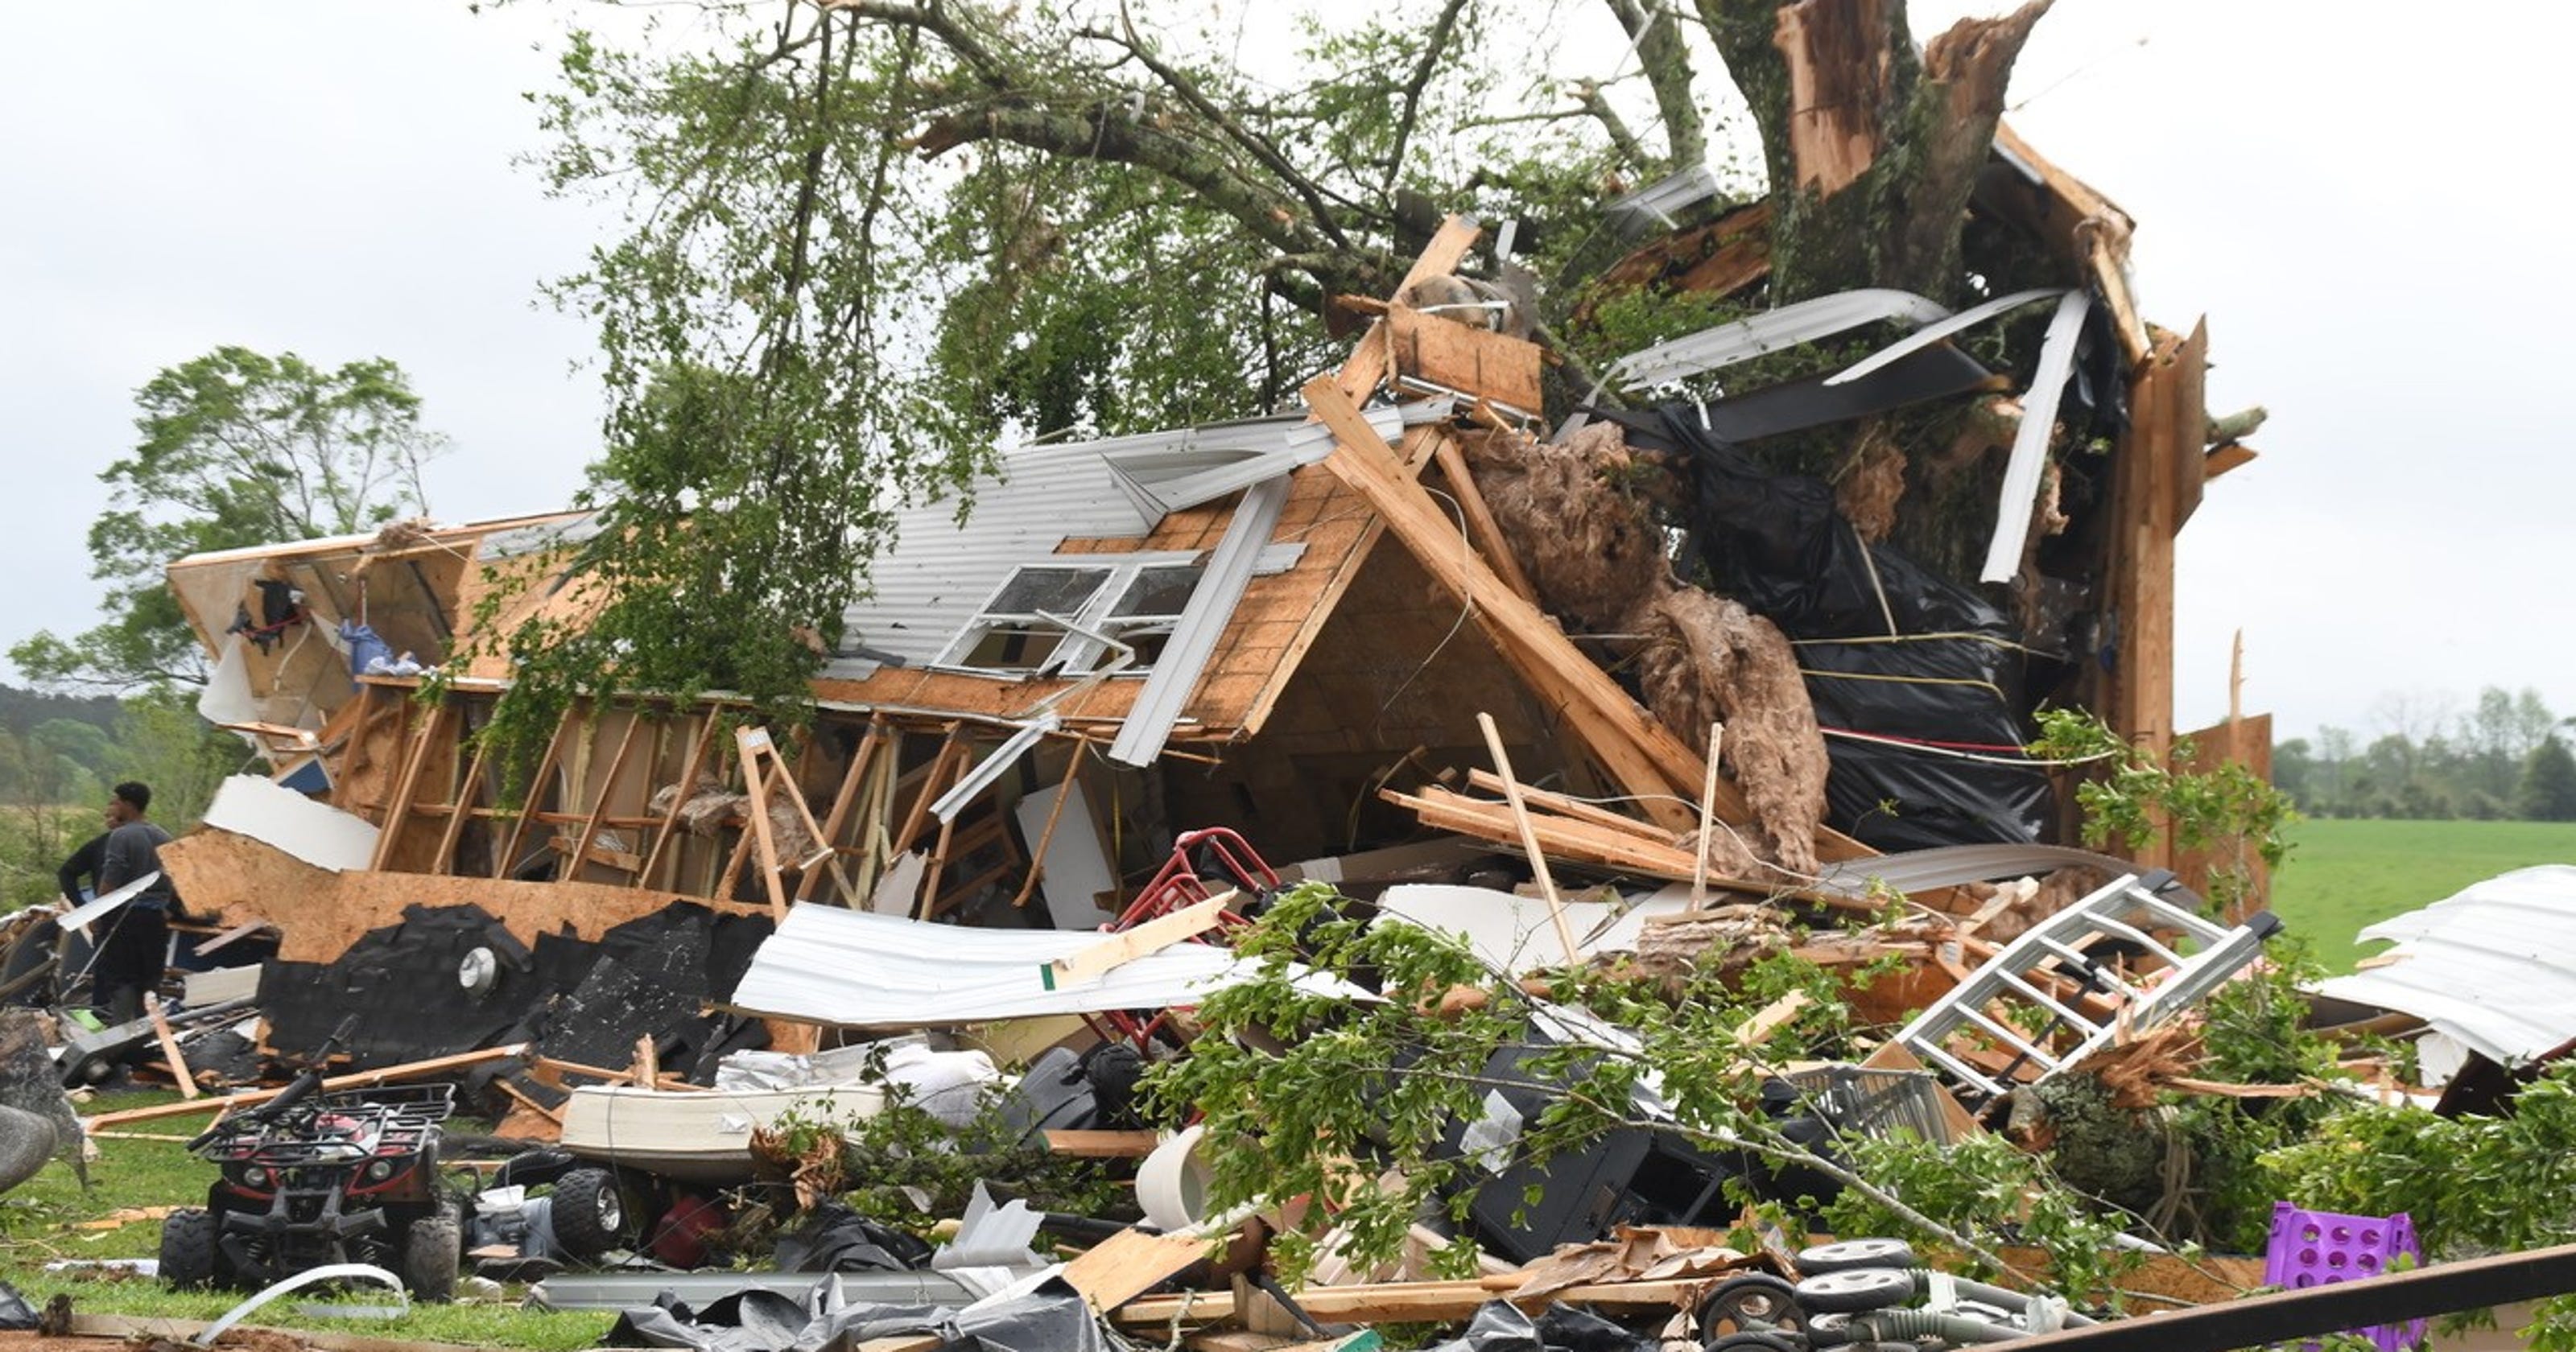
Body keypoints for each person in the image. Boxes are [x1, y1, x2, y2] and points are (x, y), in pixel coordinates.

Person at [81, 782, 181, 1025]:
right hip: (155, 920)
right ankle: (147, 1034)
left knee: (122, 978)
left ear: (128, 805)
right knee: (150, 979)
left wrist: (98, 914)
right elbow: (176, 877)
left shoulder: (122, 835)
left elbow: (110, 880)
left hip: (124, 919)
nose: (112, 807)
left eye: (115, 802)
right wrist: (167, 909)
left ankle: (121, 1037)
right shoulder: (163, 836)